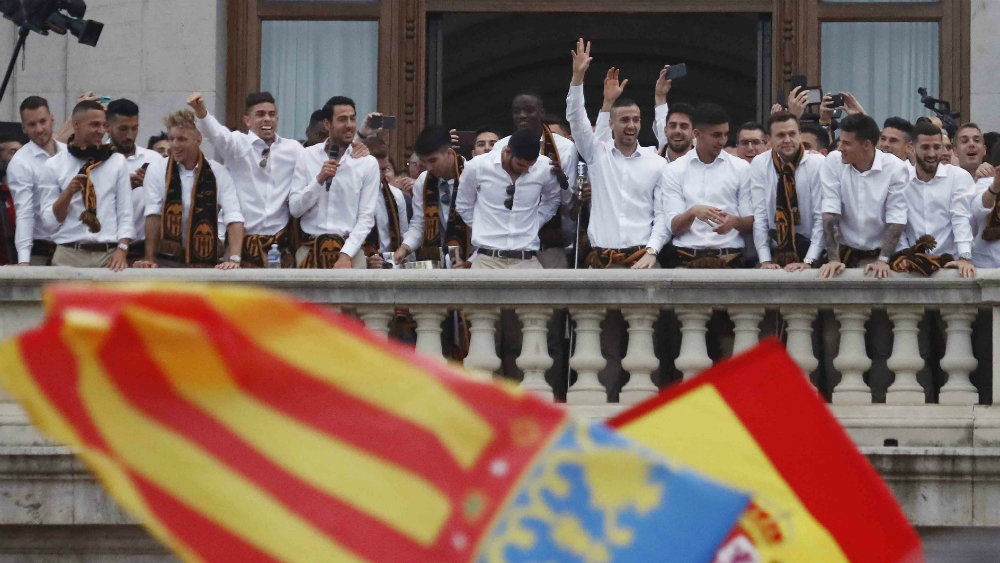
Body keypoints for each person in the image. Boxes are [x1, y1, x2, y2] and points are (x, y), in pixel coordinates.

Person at [566, 53, 668, 269]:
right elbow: (576, 118)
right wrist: (578, 77)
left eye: (636, 119)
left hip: (643, 261)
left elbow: (662, 214)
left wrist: (652, 251)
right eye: (624, 120)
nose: (631, 125)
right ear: (611, 123)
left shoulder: (656, 162)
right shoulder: (597, 154)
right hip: (602, 262)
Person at [189, 91, 303, 267]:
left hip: (278, 246)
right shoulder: (236, 144)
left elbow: (320, 160)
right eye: (260, 114)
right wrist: (201, 111)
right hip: (240, 244)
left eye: (272, 115)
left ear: (277, 119)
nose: (267, 119)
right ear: (247, 121)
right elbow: (216, 134)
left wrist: (358, 142)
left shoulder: (293, 149)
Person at [135, 109, 245, 269]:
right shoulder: (157, 168)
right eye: (171, 139)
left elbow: (233, 216)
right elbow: (153, 214)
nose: (174, 145)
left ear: (198, 139)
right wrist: (149, 258)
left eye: (182, 139)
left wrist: (234, 259)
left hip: (207, 255)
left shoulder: (218, 172)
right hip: (167, 255)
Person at [38, 100, 133, 270]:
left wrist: (122, 248)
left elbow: (125, 212)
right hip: (68, 255)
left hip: (109, 257)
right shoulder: (53, 165)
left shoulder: (117, 161)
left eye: (104, 125)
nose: (101, 131)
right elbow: (49, 222)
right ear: (77, 125)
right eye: (95, 125)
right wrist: (68, 193)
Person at [290, 96, 379, 269]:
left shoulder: (367, 163)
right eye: (342, 119)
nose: (349, 125)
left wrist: (346, 255)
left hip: (350, 251)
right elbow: (295, 209)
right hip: (310, 250)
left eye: (352, 118)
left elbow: (366, 218)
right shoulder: (306, 156)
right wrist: (318, 180)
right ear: (327, 124)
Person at [492, 88, 577, 269]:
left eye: (529, 110)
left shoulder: (564, 148)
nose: (522, 115)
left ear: (542, 113)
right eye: (517, 111)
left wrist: (561, 181)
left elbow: (570, 202)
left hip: (549, 242)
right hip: (509, 242)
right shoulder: (500, 147)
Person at [818, 113, 910, 279]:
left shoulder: (895, 167)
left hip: (885, 252)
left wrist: (883, 260)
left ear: (866, 145)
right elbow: (829, 212)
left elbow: (896, 217)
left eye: (846, 143)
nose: (839, 148)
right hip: (846, 252)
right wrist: (833, 259)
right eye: (840, 141)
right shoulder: (833, 161)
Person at [662, 103, 753, 268]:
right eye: (716, 135)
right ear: (697, 134)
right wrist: (692, 212)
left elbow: (751, 222)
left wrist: (735, 222)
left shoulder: (741, 168)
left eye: (725, 134)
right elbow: (674, 227)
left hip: (731, 260)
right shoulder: (674, 170)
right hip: (686, 260)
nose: (723, 141)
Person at [456, 128, 561, 269]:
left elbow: (552, 199)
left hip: (527, 259)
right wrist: (483, 226)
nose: (525, 170)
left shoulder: (544, 167)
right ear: (507, 151)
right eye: (520, 165)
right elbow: (463, 205)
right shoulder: (478, 166)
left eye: (530, 166)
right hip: (487, 260)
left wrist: (535, 222)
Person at [893, 121, 975, 278]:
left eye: (937, 147)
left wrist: (965, 258)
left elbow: (961, 218)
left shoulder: (958, 176)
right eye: (925, 147)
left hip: (951, 265)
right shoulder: (899, 177)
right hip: (911, 268)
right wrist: (902, 255)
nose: (932, 154)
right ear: (911, 148)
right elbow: (897, 221)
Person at [751, 111, 825, 271]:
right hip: (776, 249)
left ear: (800, 135)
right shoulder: (760, 163)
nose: (787, 140)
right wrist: (765, 260)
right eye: (781, 135)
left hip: (813, 250)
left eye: (792, 134)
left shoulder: (818, 163)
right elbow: (760, 216)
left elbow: (822, 217)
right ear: (769, 140)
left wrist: (809, 260)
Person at [395, 125, 472, 266]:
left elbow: (483, 226)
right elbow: (419, 224)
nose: (428, 167)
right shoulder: (423, 181)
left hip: (472, 259)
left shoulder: (472, 175)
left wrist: (471, 262)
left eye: (433, 160)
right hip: (440, 261)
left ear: (449, 153)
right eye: (423, 162)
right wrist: (404, 248)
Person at [6, 96, 66, 265]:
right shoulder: (20, 163)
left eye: (43, 121)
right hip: (41, 248)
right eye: (32, 124)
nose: (39, 129)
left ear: (52, 120)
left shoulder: (68, 153)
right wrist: (24, 260)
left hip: (73, 247)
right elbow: (24, 212)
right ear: (24, 128)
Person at [106, 98, 164, 262]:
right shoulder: (96, 160)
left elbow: (168, 204)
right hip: (106, 250)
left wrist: (152, 185)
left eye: (134, 128)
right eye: (123, 129)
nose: (129, 135)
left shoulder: (154, 159)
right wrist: (123, 188)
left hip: (143, 250)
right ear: (108, 127)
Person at [360, 137, 409, 268]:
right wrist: (365, 260)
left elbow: (404, 237)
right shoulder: (349, 196)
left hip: (391, 267)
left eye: (385, 169)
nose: (381, 175)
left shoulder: (396, 195)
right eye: (376, 169)